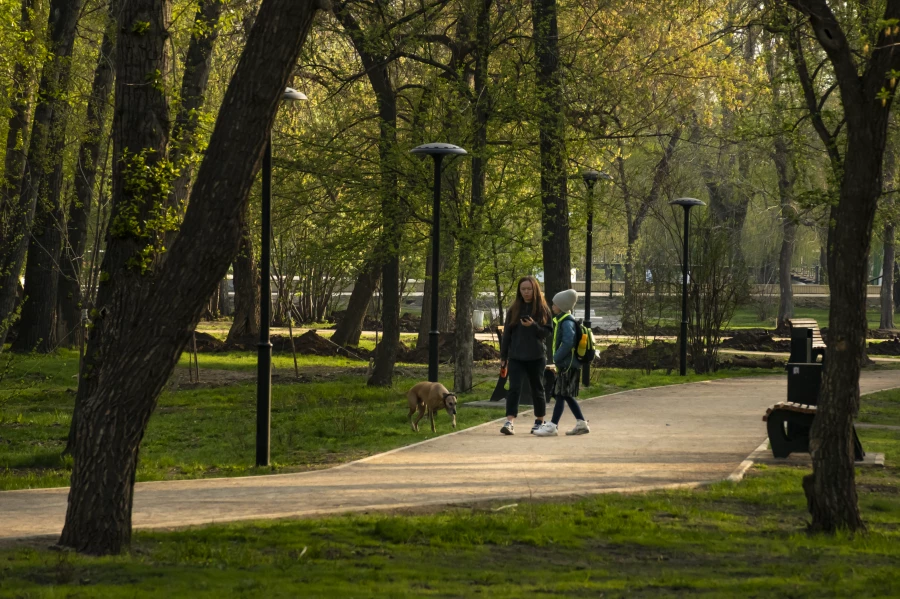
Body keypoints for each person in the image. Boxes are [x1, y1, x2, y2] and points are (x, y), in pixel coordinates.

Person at [499, 276, 552, 435]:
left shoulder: (542, 309)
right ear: (519, 291)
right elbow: (507, 334)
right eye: (523, 289)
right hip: (516, 356)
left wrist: (533, 325)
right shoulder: (514, 309)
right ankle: (509, 422)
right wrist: (503, 356)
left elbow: (547, 332)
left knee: (537, 388)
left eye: (529, 289)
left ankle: (539, 421)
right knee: (514, 388)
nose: (526, 292)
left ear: (534, 290)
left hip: (536, 356)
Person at [534, 289, 590, 437]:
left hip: (567, 365)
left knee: (560, 394)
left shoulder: (566, 322)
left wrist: (557, 358)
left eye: (555, 304)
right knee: (565, 395)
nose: (552, 306)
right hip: (568, 365)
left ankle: (552, 426)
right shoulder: (563, 320)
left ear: (562, 306)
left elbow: (568, 342)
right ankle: (581, 423)